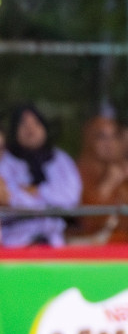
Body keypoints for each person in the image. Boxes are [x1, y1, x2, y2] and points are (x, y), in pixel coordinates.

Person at [1, 105, 82, 248]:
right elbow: (7, 197)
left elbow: (71, 197)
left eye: (36, 123)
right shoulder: (6, 161)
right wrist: (45, 203)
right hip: (16, 244)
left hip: (53, 243)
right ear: (14, 130)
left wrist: (37, 191)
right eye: (23, 124)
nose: (30, 129)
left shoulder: (59, 159)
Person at [71, 114, 128, 244]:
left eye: (114, 136)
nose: (109, 143)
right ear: (89, 140)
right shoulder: (78, 172)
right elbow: (87, 220)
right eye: (101, 137)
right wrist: (108, 183)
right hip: (95, 252)